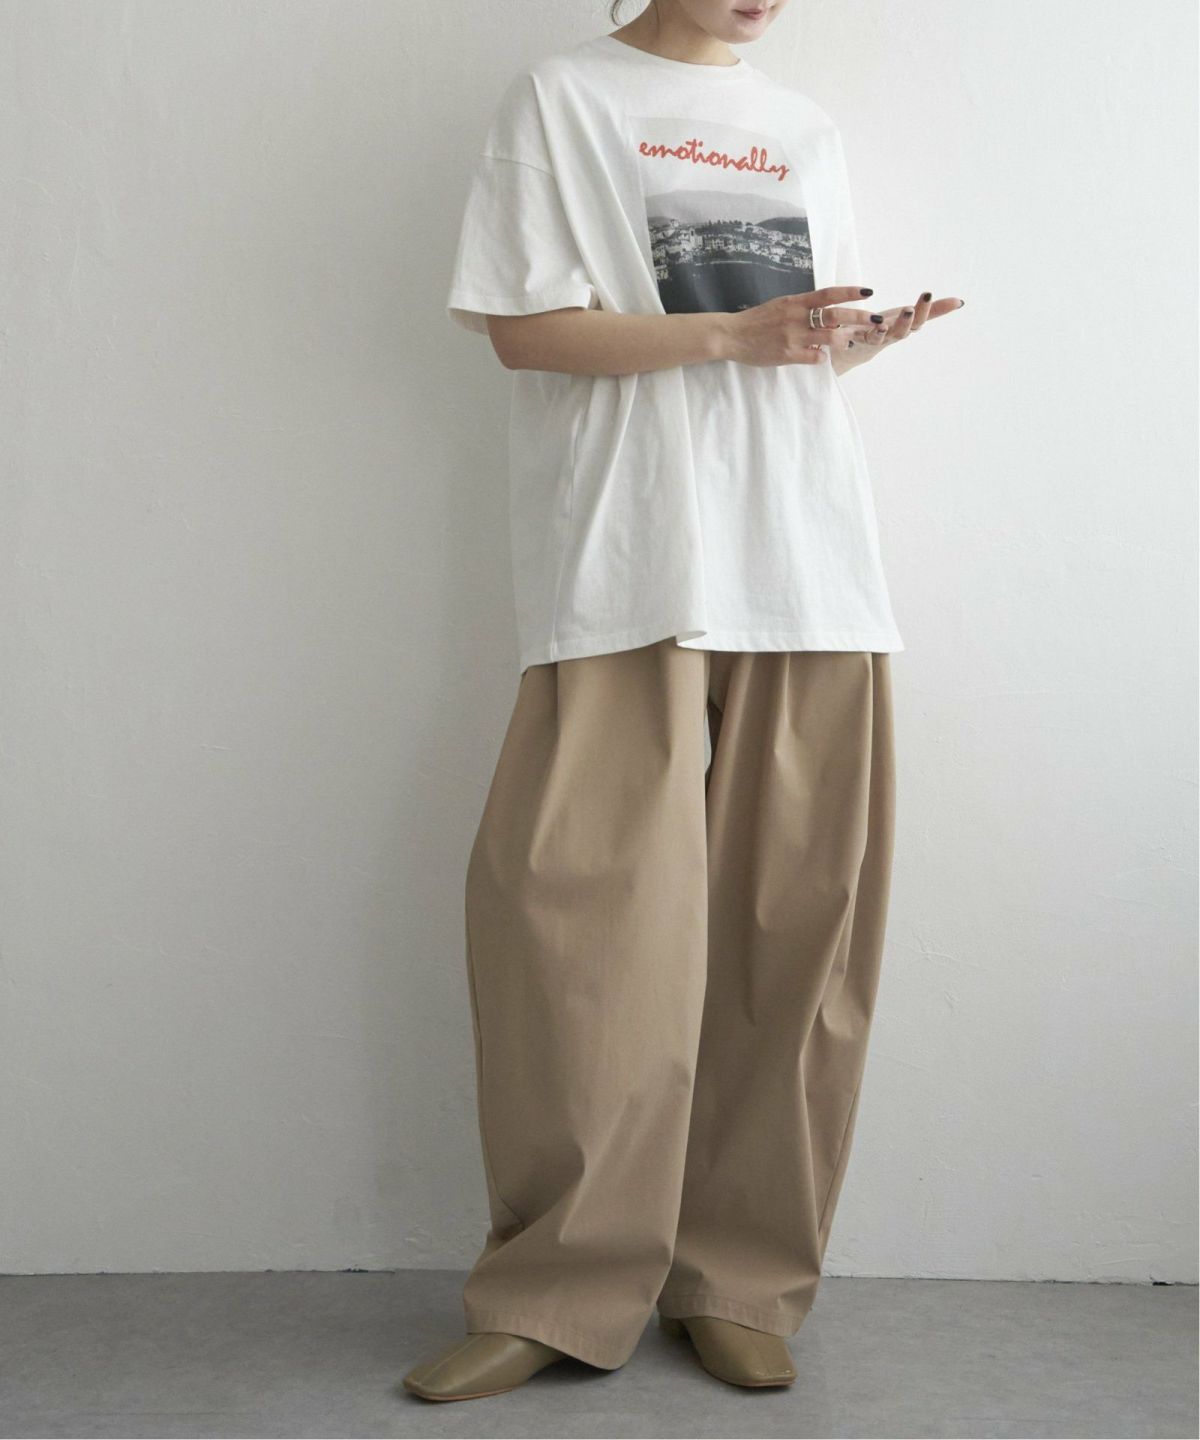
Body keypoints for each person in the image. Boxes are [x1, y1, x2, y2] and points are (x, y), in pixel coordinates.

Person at [405, 0, 964, 1403]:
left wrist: (854, 341)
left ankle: (741, 1278)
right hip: (629, 555)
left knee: (793, 938)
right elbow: (525, 332)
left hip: (804, 560)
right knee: (576, 935)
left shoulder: (803, 129)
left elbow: (790, 349)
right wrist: (728, 336)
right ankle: (557, 1288)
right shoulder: (564, 97)